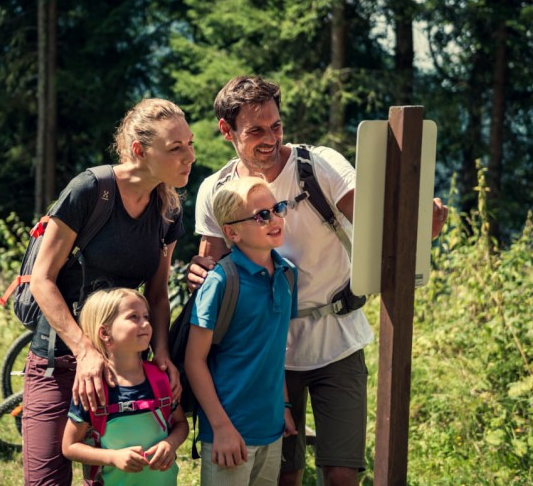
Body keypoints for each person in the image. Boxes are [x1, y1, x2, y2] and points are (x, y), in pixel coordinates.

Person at [187, 76, 448, 486]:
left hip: (337, 340)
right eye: (255, 130)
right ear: (226, 130)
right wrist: (198, 272)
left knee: (342, 473)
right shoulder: (215, 190)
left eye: (276, 126)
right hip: (267, 353)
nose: (270, 138)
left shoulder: (318, 165)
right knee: (283, 476)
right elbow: (213, 266)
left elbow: (376, 225)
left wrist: (420, 231)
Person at [23, 98, 195, 485]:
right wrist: (84, 351)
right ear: (139, 150)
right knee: (46, 479)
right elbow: (42, 279)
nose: (190, 156)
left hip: (124, 363)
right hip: (62, 360)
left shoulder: (169, 209)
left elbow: (157, 292)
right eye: (176, 148)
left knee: (108, 478)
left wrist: (162, 352)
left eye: (190, 144)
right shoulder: (90, 190)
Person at [185, 177, 298, 486]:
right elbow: (194, 361)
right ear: (232, 232)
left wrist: (285, 406)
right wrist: (221, 428)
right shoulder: (220, 281)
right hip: (228, 433)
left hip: (271, 428)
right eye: (262, 216)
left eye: (277, 209)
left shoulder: (288, 274)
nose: (274, 219)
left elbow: (274, 350)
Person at [62, 287, 189, 485]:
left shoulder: (159, 379)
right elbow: (69, 446)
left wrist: (170, 444)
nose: (146, 323)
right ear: (105, 332)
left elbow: (181, 424)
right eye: (134, 317)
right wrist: (112, 457)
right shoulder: (94, 389)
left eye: (146, 317)